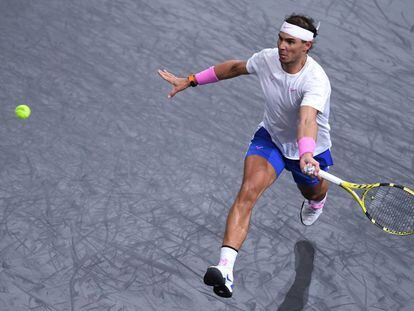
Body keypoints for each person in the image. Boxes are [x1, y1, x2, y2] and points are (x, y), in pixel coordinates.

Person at [158, 14, 333, 298]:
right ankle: (225, 270)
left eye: (290, 42)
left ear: (307, 47)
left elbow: (307, 120)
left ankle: (317, 200)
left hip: (310, 150)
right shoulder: (267, 59)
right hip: (271, 140)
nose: (281, 46)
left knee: (313, 192)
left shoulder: (316, 81)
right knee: (247, 192)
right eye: (280, 38)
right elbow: (235, 68)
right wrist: (190, 80)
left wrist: (306, 153)